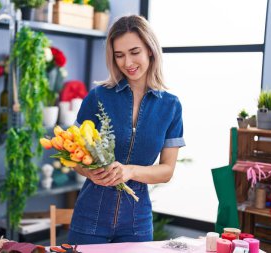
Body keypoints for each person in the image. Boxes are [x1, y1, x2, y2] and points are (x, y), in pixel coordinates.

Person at [68, 15, 185, 244]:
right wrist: (88, 171)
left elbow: (166, 171)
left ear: (150, 50)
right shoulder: (98, 97)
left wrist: (129, 171)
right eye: (119, 55)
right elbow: (75, 156)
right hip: (89, 217)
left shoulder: (171, 106)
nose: (127, 62)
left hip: (137, 222)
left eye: (134, 52)